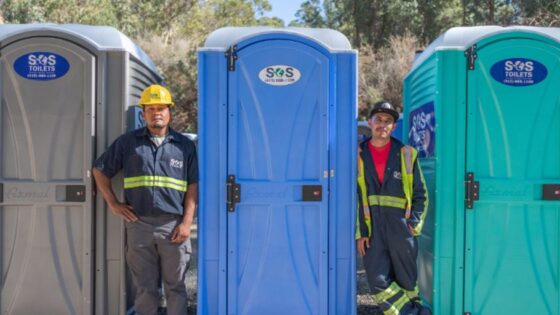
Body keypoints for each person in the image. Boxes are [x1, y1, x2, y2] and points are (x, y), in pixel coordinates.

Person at [93, 84, 198, 315]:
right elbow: (100, 170)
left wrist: (186, 223)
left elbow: (193, 186)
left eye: (161, 108)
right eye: (151, 109)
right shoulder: (128, 143)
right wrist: (113, 203)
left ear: (170, 112)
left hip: (173, 226)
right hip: (138, 225)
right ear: (143, 114)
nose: (156, 113)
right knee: (145, 288)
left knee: (176, 287)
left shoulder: (185, 146)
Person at [356, 101, 430, 315]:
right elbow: (356, 197)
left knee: (407, 281)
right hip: (372, 229)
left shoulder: (407, 154)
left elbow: (421, 194)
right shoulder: (358, 155)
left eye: (388, 121)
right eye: (378, 119)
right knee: (378, 280)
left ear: (394, 127)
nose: (383, 125)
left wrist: (414, 226)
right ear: (370, 123)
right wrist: (361, 232)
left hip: (401, 227)